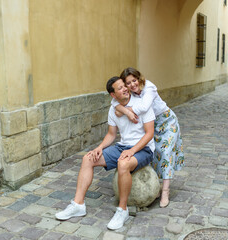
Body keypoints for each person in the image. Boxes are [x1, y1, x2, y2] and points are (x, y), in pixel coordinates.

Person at [55, 76, 155, 230]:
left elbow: (149, 134)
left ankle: (122, 211)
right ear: (113, 95)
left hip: (144, 148)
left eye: (124, 86)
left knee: (123, 164)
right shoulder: (113, 109)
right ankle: (78, 205)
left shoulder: (142, 103)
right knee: (88, 159)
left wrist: (132, 151)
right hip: (123, 146)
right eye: (120, 88)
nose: (125, 89)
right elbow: (111, 134)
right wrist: (99, 147)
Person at [112, 67, 184, 208]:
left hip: (167, 122)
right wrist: (123, 109)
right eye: (128, 83)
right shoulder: (132, 94)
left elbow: (144, 107)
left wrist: (126, 111)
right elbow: (114, 103)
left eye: (134, 80)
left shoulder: (149, 87)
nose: (133, 84)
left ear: (139, 79)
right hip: (152, 125)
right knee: (155, 153)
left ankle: (165, 191)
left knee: (165, 153)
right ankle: (156, 186)